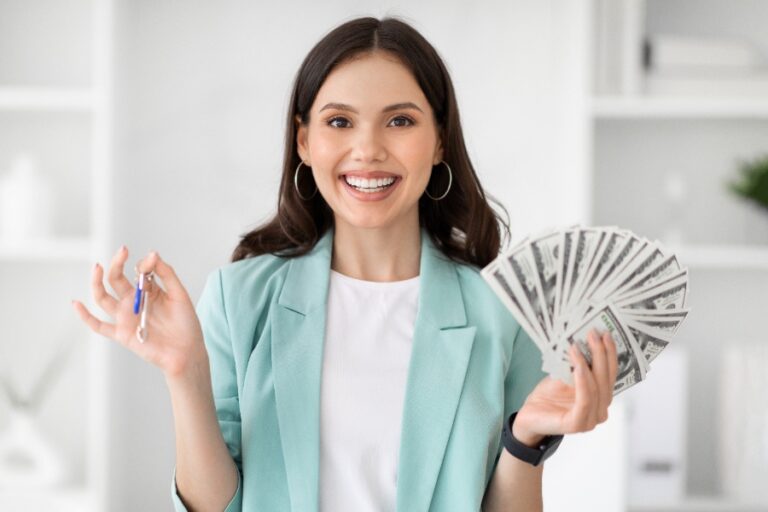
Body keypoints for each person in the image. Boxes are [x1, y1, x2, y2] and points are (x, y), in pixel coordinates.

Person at [72, 15, 618, 512]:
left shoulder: (499, 312)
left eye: (400, 121)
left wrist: (524, 443)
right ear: (304, 140)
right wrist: (185, 374)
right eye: (339, 122)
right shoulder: (239, 298)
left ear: (439, 141)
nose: (368, 149)